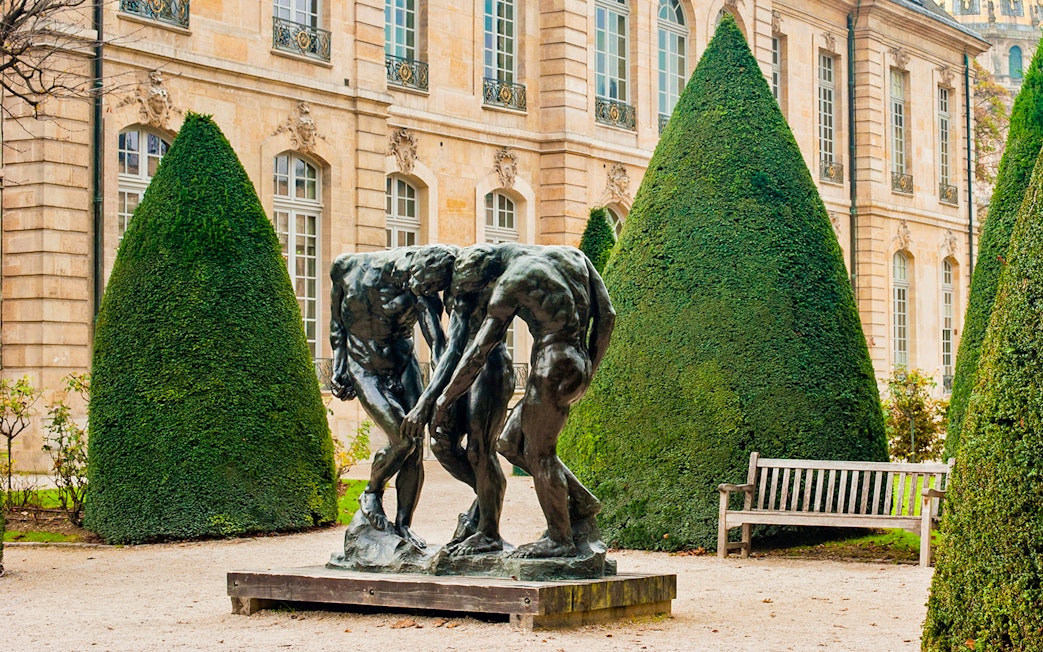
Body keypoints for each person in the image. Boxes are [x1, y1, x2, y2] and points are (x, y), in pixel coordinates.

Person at [426, 243, 615, 558]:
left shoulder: (509, 284)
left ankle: (560, 540)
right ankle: (582, 501)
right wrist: (587, 369)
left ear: (489, 273)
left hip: (551, 364)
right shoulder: (572, 256)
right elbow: (607, 315)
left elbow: (479, 352)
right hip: (575, 361)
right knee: (508, 444)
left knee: (541, 455)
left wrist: (445, 399)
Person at [328, 245, 457, 549]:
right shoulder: (346, 266)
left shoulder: (420, 289)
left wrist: (448, 383)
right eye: (424, 286)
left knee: (415, 444)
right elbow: (338, 323)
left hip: (403, 365)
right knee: (403, 440)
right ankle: (372, 492)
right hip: (364, 367)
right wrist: (339, 363)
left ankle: (403, 525)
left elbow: (437, 344)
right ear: (411, 270)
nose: (425, 293)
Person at [401, 250, 515, 556]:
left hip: (489, 368)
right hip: (461, 367)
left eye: (423, 283)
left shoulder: (469, 286)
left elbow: (457, 350)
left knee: (479, 450)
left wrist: (429, 402)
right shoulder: (445, 288)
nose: (419, 288)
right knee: (441, 444)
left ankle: (489, 532)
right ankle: (487, 495)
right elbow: (444, 345)